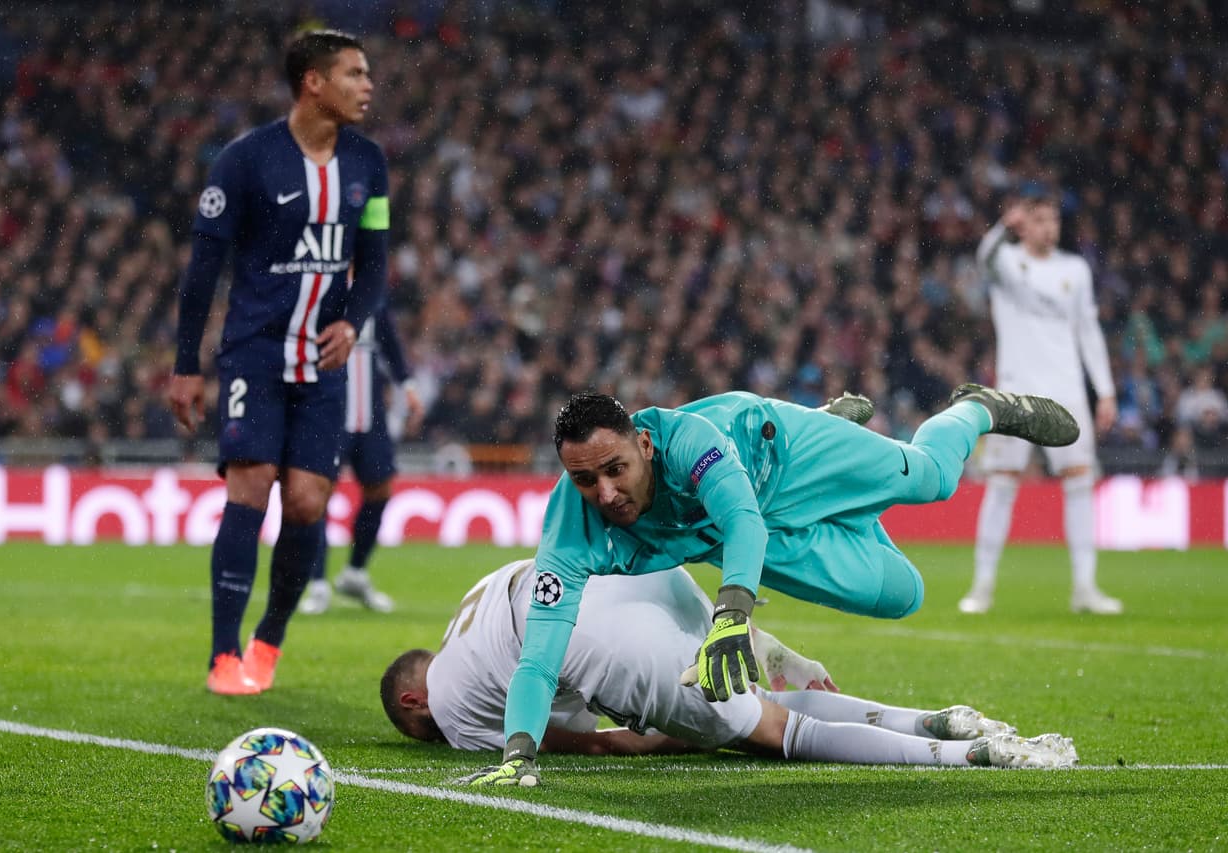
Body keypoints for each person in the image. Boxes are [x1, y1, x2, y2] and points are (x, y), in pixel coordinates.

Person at [464, 384, 1081, 786]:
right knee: (901, 593)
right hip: (756, 529)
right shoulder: (567, 537)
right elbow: (540, 653)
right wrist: (518, 749)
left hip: (780, 459)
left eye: (615, 469)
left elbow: (738, 519)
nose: (604, 494)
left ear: (645, 445)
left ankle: (976, 408)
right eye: (584, 480)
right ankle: (848, 488)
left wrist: (731, 619)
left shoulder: (690, 444)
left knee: (931, 479)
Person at [383, 559, 1077, 782]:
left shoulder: (447, 708)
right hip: (634, 577)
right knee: (750, 689)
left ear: (414, 698)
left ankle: (967, 753)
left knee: (773, 731)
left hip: (591, 633)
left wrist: (673, 736)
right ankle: (933, 716)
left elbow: (596, 740)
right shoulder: (464, 620)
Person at [167, 29, 391, 694]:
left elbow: (375, 262)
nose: (367, 84)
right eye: (354, 73)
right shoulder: (246, 161)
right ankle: (222, 654)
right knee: (252, 481)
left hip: (323, 361)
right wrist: (187, 364)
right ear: (314, 83)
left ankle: (269, 639)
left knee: (305, 501)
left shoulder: (368, 163)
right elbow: (202, 268)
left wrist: (354, 319)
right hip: (255, 353)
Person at [958, 191, 1120, 616]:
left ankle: (1085, 588)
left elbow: (1088, 331)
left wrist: (1104, 390)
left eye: (1054, 220)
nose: (1049, 227)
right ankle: (982, 588)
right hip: (1016, 391)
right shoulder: (1008, 264)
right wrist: (1000, 227)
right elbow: (983, 258)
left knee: (1079, 482)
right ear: (1023, 225)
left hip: (1066, 389)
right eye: (1040, 220)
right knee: (1002, 482)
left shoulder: (1076, 269)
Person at [298, 300, 424, 615]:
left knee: (380, 487)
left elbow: (390, 344)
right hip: (329, 414)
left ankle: (355, 572)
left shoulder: (373, 298)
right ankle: (316, 583)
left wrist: (407, 386)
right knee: (319, 493)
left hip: (370, 416)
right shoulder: (320, 293)